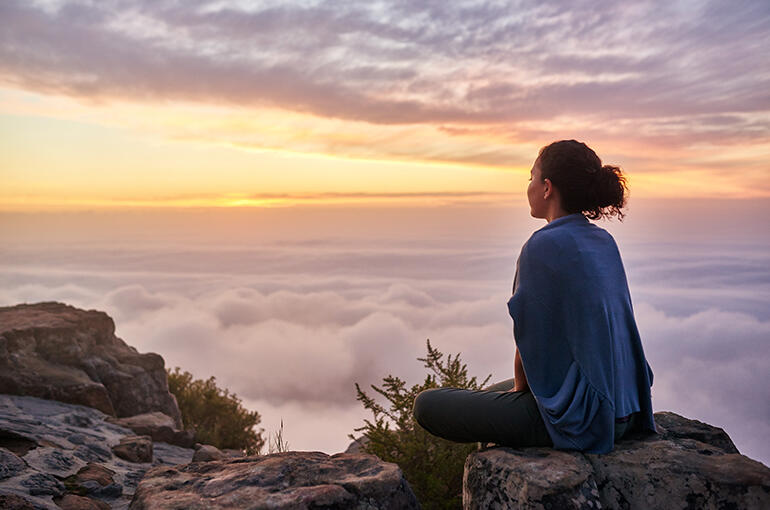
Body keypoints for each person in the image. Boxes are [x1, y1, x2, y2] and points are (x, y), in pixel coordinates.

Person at [412, 139, 657, 454]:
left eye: (531, 177)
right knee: (488, 393)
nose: (528, 186)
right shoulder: (603, 240)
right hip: (628, 408)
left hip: (589, 420)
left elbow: (530, 346)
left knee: (428, 405)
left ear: (547, 188)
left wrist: (520, 398)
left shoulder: (543, 246)